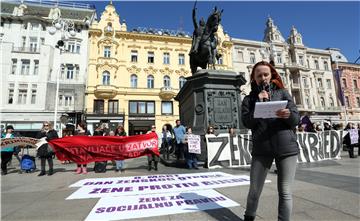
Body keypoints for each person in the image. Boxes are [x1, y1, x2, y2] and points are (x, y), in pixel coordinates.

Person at [241, 61, 300, 221]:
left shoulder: (283, 93)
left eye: (265, 74)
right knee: (254, 190)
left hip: (286, 147)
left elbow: (296, 119)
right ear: (253, 78)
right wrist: (258, 104)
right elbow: (246, 122)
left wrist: (289, 115)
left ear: (272, 75)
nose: (263, 78)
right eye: (259, 75)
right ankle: (249, 217)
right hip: (262, 148)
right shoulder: (248, 99)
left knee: (285, 191)